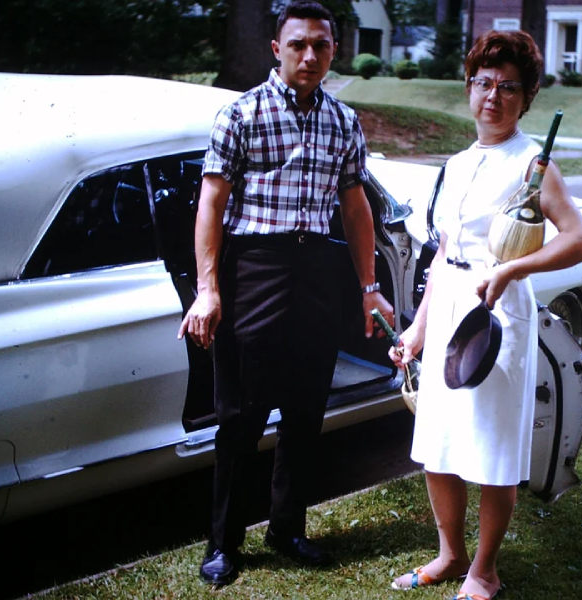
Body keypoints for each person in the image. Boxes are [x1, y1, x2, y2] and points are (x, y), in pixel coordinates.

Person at [178, 0, 394, 586]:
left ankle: (287, 528)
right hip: (254, 271)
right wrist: (208, 289)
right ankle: (224, 544)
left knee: (304, 414)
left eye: (321, 45)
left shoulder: (344, 122)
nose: (309, 55)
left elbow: (355, 209)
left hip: (317, 274)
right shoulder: (241, 115)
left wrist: (369, 287)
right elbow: (212, 205)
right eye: (298, 44)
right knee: (240, 418)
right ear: (277, 49)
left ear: (333, 51)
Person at [388, 30, 582, 600]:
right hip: (452, 303)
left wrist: (511, 272)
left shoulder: (534, 164)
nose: (493, 96)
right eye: (483, 83)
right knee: (439, 440)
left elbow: (580, 241)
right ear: (468, 89)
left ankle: (484, 571)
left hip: (498, 316)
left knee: (493, 447)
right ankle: (450, 555)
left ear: (526, 96)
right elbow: (442, 254)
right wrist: (417, 328)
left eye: (508, 86)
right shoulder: (456, 163)